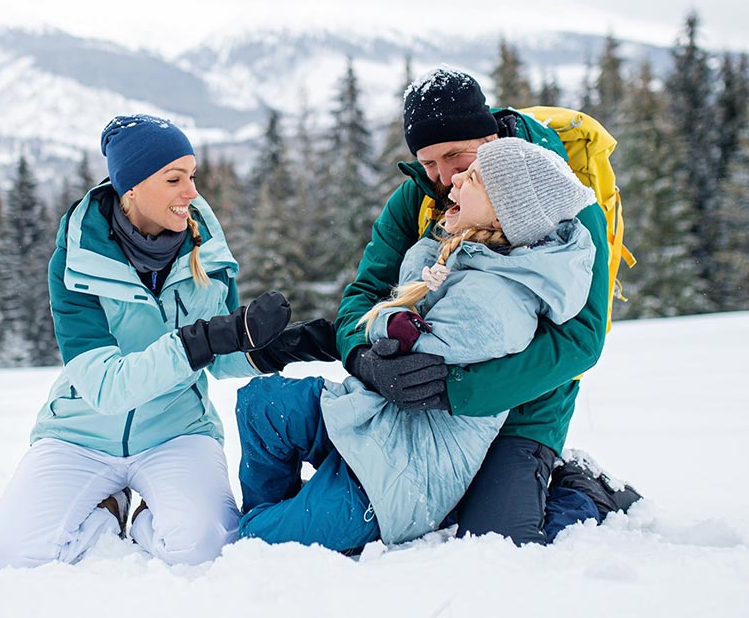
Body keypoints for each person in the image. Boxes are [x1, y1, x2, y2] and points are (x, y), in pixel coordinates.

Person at [0, 114, 331, 571]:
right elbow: (105, 387)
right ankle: (110, 508)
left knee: (203, 549)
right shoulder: (77, 262)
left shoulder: (206, 250)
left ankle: (147, 519)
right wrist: (205, 338)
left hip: (177, 429)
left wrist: (283, 348)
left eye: (193, 176)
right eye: (174, 179)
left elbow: (218, 360)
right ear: (132, 187)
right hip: (78, 435)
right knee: (8, 557)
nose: (192, 193)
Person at [236, 138, 597, 551]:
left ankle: (580, 491)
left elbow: (402, 346)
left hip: (403, 474)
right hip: (373, 422)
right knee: (261, 403)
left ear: (504, 215)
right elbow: (377, 299)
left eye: (472, 177)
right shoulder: (466, 251)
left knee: (256, 544)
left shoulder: (494, 302)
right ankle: (280, 513)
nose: (453, 179)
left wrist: (378, 324)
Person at [334, 68, 640, 545]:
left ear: (490, 134)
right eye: (428, 161)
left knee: (497, 539)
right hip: (427, 396)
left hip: (528, 400)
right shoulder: (418, 195)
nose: (443, 177)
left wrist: (458, 389)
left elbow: (581, 340)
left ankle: (585, 487)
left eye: (455, 156)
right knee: (408, 510)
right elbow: (362, 295)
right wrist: (364, 359)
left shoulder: (557, 192)